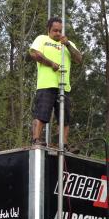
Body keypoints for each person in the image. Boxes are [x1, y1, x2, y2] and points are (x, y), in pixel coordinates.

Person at [29, 17, 83, 149]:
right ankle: (36, 139)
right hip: (46, 84)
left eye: (60, 31)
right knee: (42, 113)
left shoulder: (67, 43)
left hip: (64, 86)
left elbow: (79, 59)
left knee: (64, 117)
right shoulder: (42, 39)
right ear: (49, 30)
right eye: (55, 31)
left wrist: (68, 45)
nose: (58, 33)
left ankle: (63, 143)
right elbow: (34, 54)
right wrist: (50, 63)